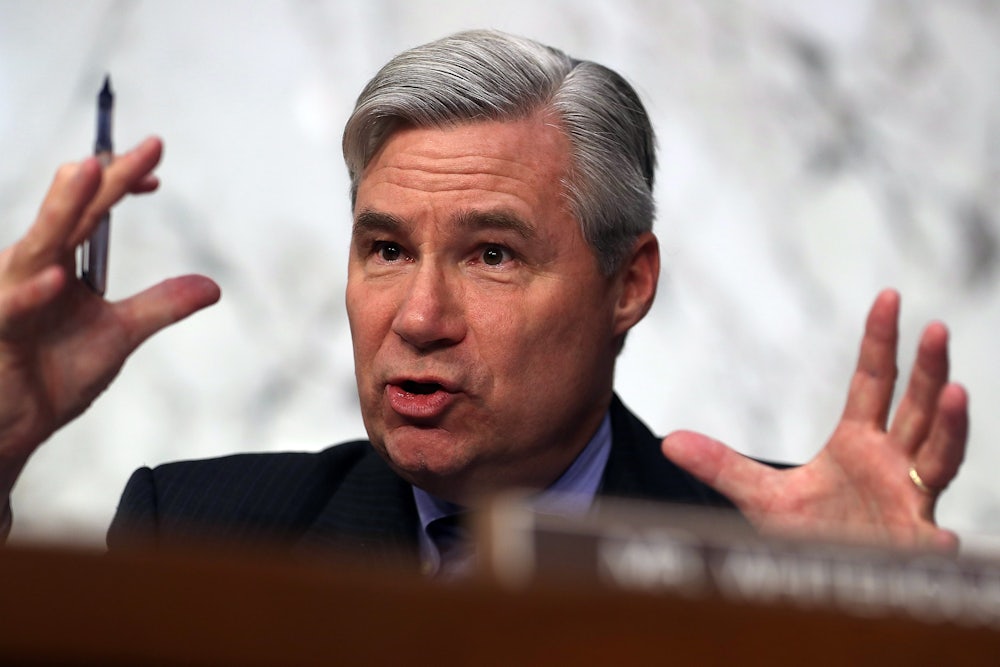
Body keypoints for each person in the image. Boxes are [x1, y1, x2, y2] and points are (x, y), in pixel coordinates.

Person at [0, 30, 968, 572]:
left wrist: (891, 629)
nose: (419, 318)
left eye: (492, 255)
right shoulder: (202, 538)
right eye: (386, 249)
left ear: (628, 283)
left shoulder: (781, 559)